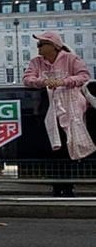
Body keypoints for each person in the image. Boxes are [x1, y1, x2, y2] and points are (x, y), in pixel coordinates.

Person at [24, 31, 93, 197]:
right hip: (47, 110)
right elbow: (27, 79)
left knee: (69, 147)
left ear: (54, 46)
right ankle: (57, 187)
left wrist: (63, 82)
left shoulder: (71, 59)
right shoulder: (36, 62)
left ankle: (68, 187)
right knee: (52, 149)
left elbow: (84, 76)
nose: (38, 47)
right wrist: (44, 82)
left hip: (71, 109)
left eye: (41, 44)